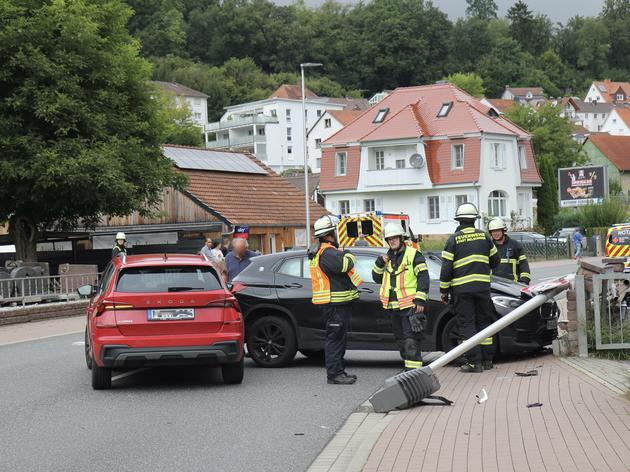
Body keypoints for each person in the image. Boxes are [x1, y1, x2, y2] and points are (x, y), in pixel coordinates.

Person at [439, 203, 500, 373]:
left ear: (458, 220)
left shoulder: (453, 240)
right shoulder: (485, 237)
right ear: (474, 220)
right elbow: (496, 261)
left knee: (467, 325)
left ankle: (474, 363)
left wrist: (444, 291)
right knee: (485, 324)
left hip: (462, 291)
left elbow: (446, 269)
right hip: (482, 289)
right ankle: (487, 360)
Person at [308, 215, 363, 385]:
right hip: (335, 306)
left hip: (334, 304)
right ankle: (334, 374)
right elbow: (346, 264)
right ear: (330, 233)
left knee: (338, 339)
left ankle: (339, 371)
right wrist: (348, 253)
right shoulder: (328, 252)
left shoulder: (321, 251)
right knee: (335, 340)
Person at [372, 223, 429, 371]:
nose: (392, 241)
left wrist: (420, 299)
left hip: (410, 306)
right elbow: (377, 278)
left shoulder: (413, 254)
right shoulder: (387, 258)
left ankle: (414, 373)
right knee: (402, 342)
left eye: (395, 237)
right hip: (393, 308)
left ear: (401, 237)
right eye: (389, 239)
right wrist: (379, 264)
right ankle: (409, 369)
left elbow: (423, 277)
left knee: (411, 342)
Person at [487, 218, 531, 284]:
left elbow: (523, 265)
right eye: (493, 231)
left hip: (513, 286)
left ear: (503, 231)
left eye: (498, 231)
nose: (495, 233)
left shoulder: (515, 245)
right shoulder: (489, 247)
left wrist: (524, 281)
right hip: (495, 287)